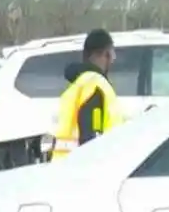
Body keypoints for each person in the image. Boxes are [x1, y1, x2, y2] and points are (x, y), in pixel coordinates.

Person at [51, 30, 119, 160]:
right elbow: (91, 134)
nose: (114, 58)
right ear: (106, 54)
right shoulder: (95, 86)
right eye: (113, 52)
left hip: (63, 166)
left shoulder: (76, 85)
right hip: (81, 169)